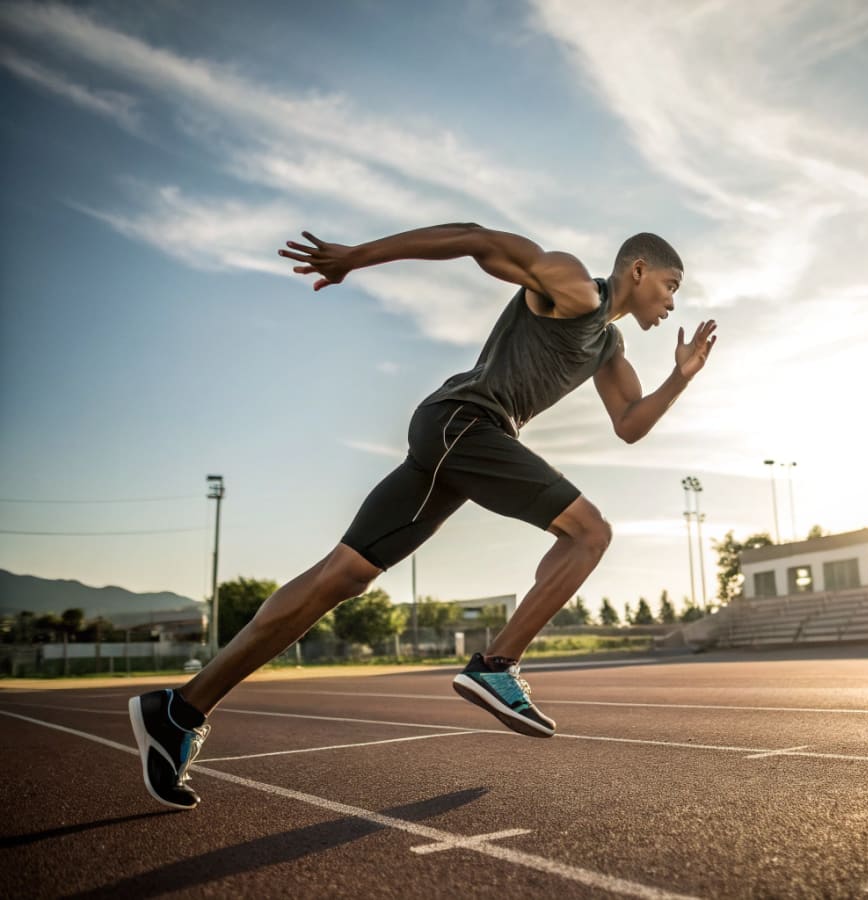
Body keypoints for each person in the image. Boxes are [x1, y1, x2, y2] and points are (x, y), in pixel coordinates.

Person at [128, 223, 717, 809]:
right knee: (590, 533)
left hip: (456, 443)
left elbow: (630, 424)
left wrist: (680, 377)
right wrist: (355, 258)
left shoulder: (608, 348)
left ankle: (179, 711)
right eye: (670, 285)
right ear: (637, 271)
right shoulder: (573, 287)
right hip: (464, 422)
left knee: (342, 576)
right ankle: (495, 665)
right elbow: (474, 238)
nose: (671, 302)